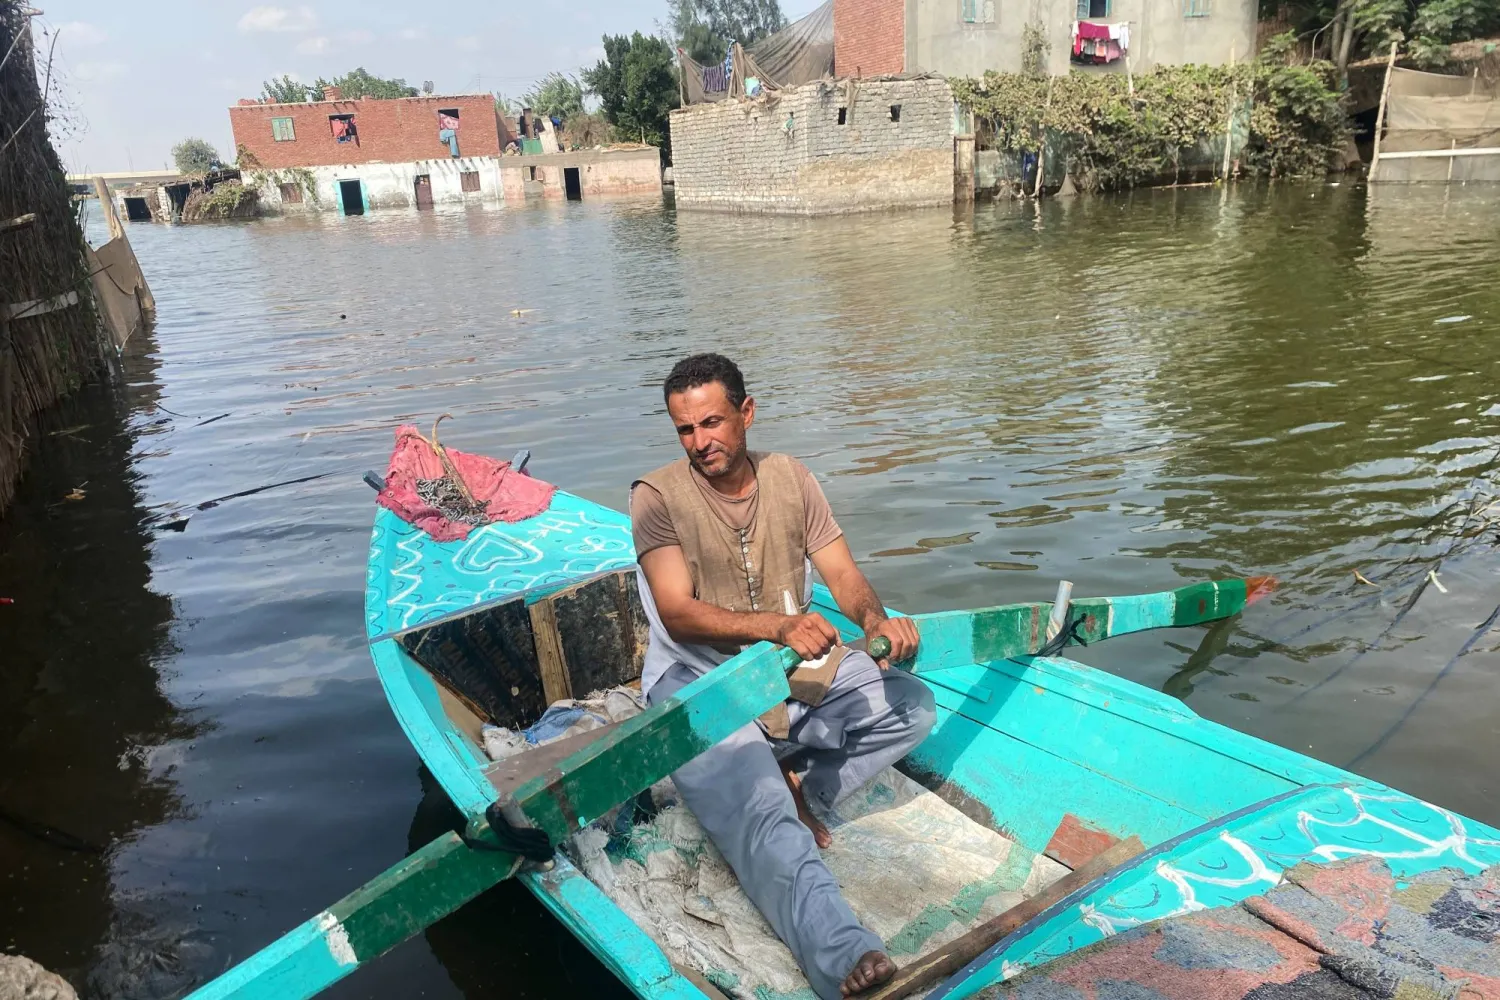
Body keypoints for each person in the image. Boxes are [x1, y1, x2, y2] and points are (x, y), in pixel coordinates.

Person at [631, 353, 936, 999]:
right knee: (765, 816)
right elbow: (679, 614)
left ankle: (799, 783)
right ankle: (841, 956)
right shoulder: (655, 496)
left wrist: (880, 624)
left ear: (746, 412)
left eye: (712, 423)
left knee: (910, 705)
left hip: (786, 677)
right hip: (697, 685)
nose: (700, 442)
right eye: (685, 430)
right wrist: (776, 625)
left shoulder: (791, 478)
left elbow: (844, 577)